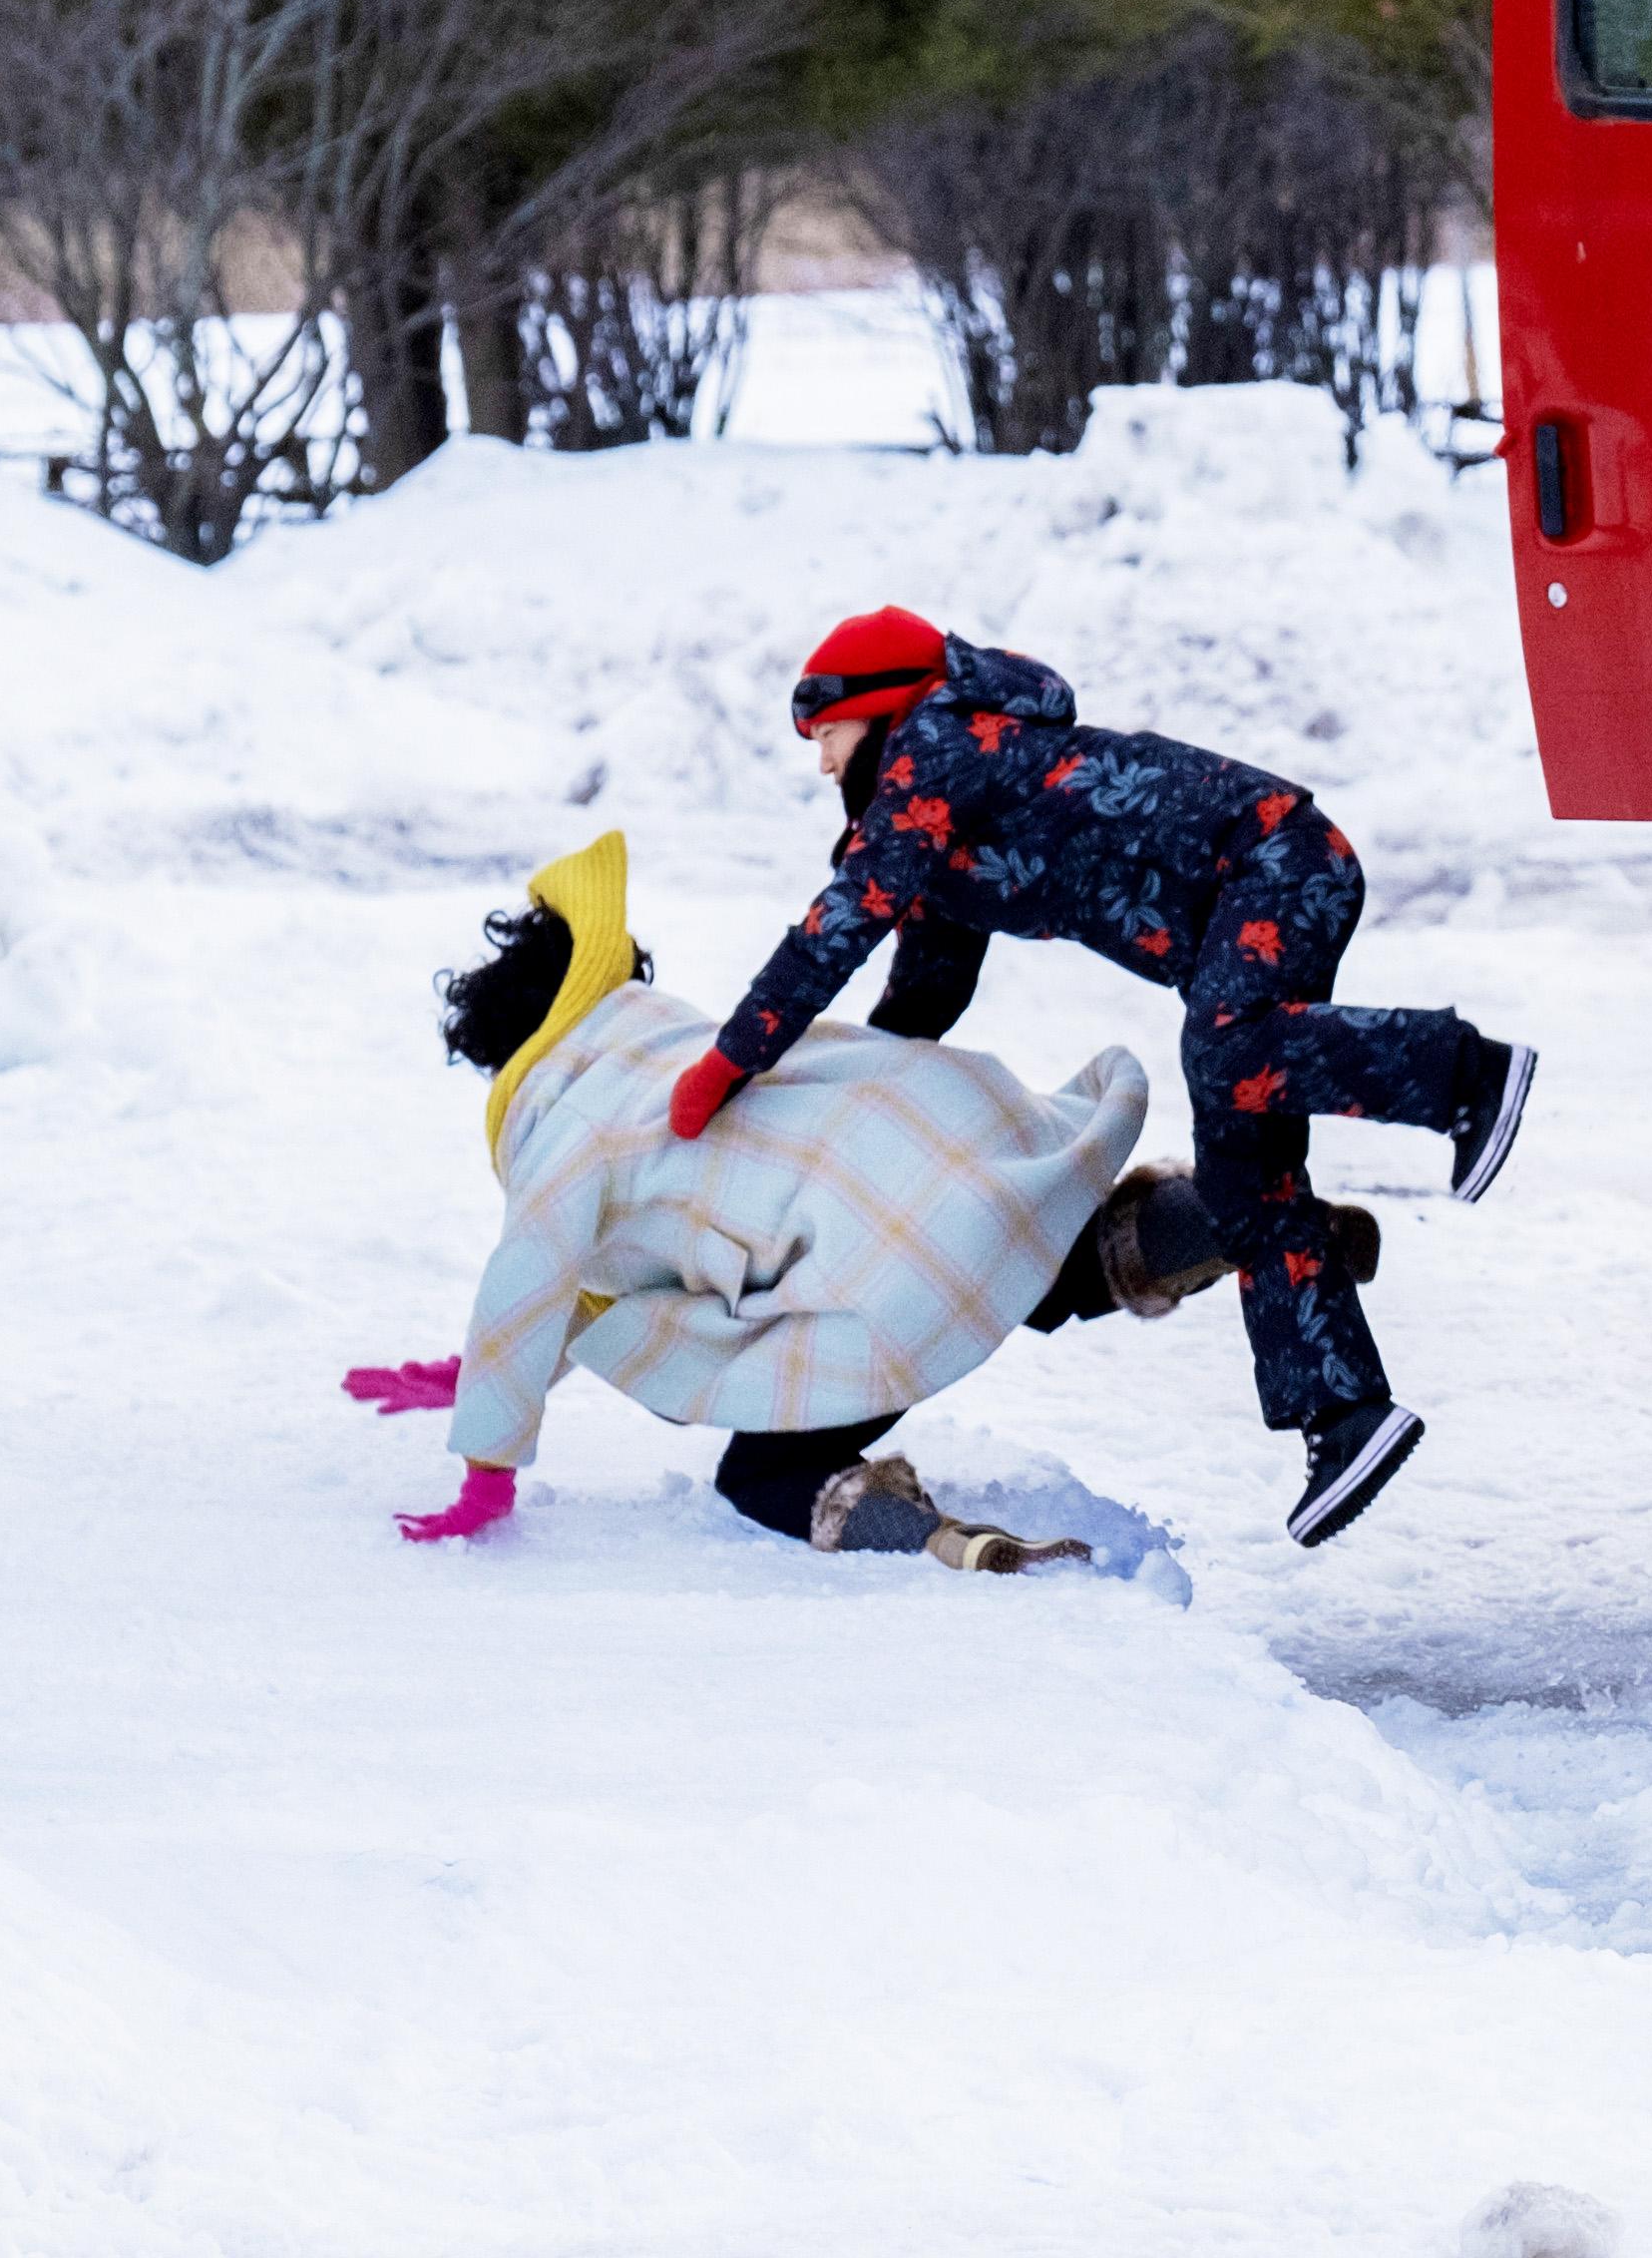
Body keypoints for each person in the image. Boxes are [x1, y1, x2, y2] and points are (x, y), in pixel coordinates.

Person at [679, 608, 1535, 1550]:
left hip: (1278, 859)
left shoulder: (937, 748)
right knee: (1246, 1172)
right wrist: (854, 1095)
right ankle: (1346, 1417)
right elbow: (928, 987)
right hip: (1234, 920)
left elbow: (837, 927)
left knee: (1227, 1051)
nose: (822, 764)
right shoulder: (937, 822)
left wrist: (726, 1064)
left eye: (828, 735)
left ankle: (1465, 1074)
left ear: (882, 711)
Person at [359, 831, 1364, 1567]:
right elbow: (566, 1299)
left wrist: (486, 1468)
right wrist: (476, 1370)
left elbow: (533, 1278)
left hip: (873, 1263)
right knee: (1036, 1251)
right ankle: (1243, 1221)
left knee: (761, 1473)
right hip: (951, 1139)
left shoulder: (560, 1123)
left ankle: (942, 1545)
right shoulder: (664, 1037)